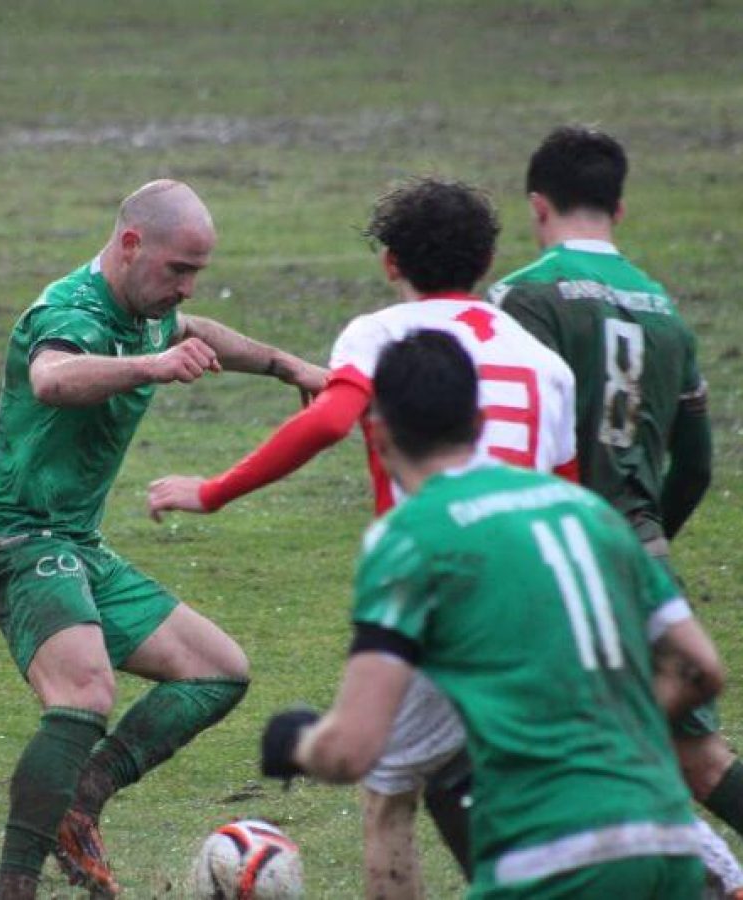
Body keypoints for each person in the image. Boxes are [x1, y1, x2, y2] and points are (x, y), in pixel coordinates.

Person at [149, 178, 577, 898]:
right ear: (486, 260)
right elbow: (572, 494)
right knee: (509, 787)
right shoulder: (546, 362)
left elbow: (325, 420)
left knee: (386, 793)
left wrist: (213, 492)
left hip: (439, 590)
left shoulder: (382, 333)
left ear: (391, 262)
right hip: (547, 600)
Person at [0, 179, 327, 900]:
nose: (186, 289)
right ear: (130, 245)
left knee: (219, 670)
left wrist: (286, 366)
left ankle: (80, 800)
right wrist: (148, 367)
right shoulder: (68, 311)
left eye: (197, 273)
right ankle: (14, 888)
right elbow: (53, 378)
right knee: (87, 690)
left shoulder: (153, 309)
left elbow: (197, 333)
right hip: (13, 540)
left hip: (73, 545)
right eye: (177, 271)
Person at [261, 328, 721, 899]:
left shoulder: (409, 536)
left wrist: (293, 743)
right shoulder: (590, 513)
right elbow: (701, 667)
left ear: (377, 435)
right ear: (479, 425)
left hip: (551, 856)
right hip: (669, 839)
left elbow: (353, 748)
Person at [486, 125, 743, 842]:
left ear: (538, 206)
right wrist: (646, 535)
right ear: (619, 210)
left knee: (517, 753)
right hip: (644, 561)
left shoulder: (523, 299)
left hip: (557, 567)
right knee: (700, 759)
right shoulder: (666, 311)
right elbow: (696, 467)